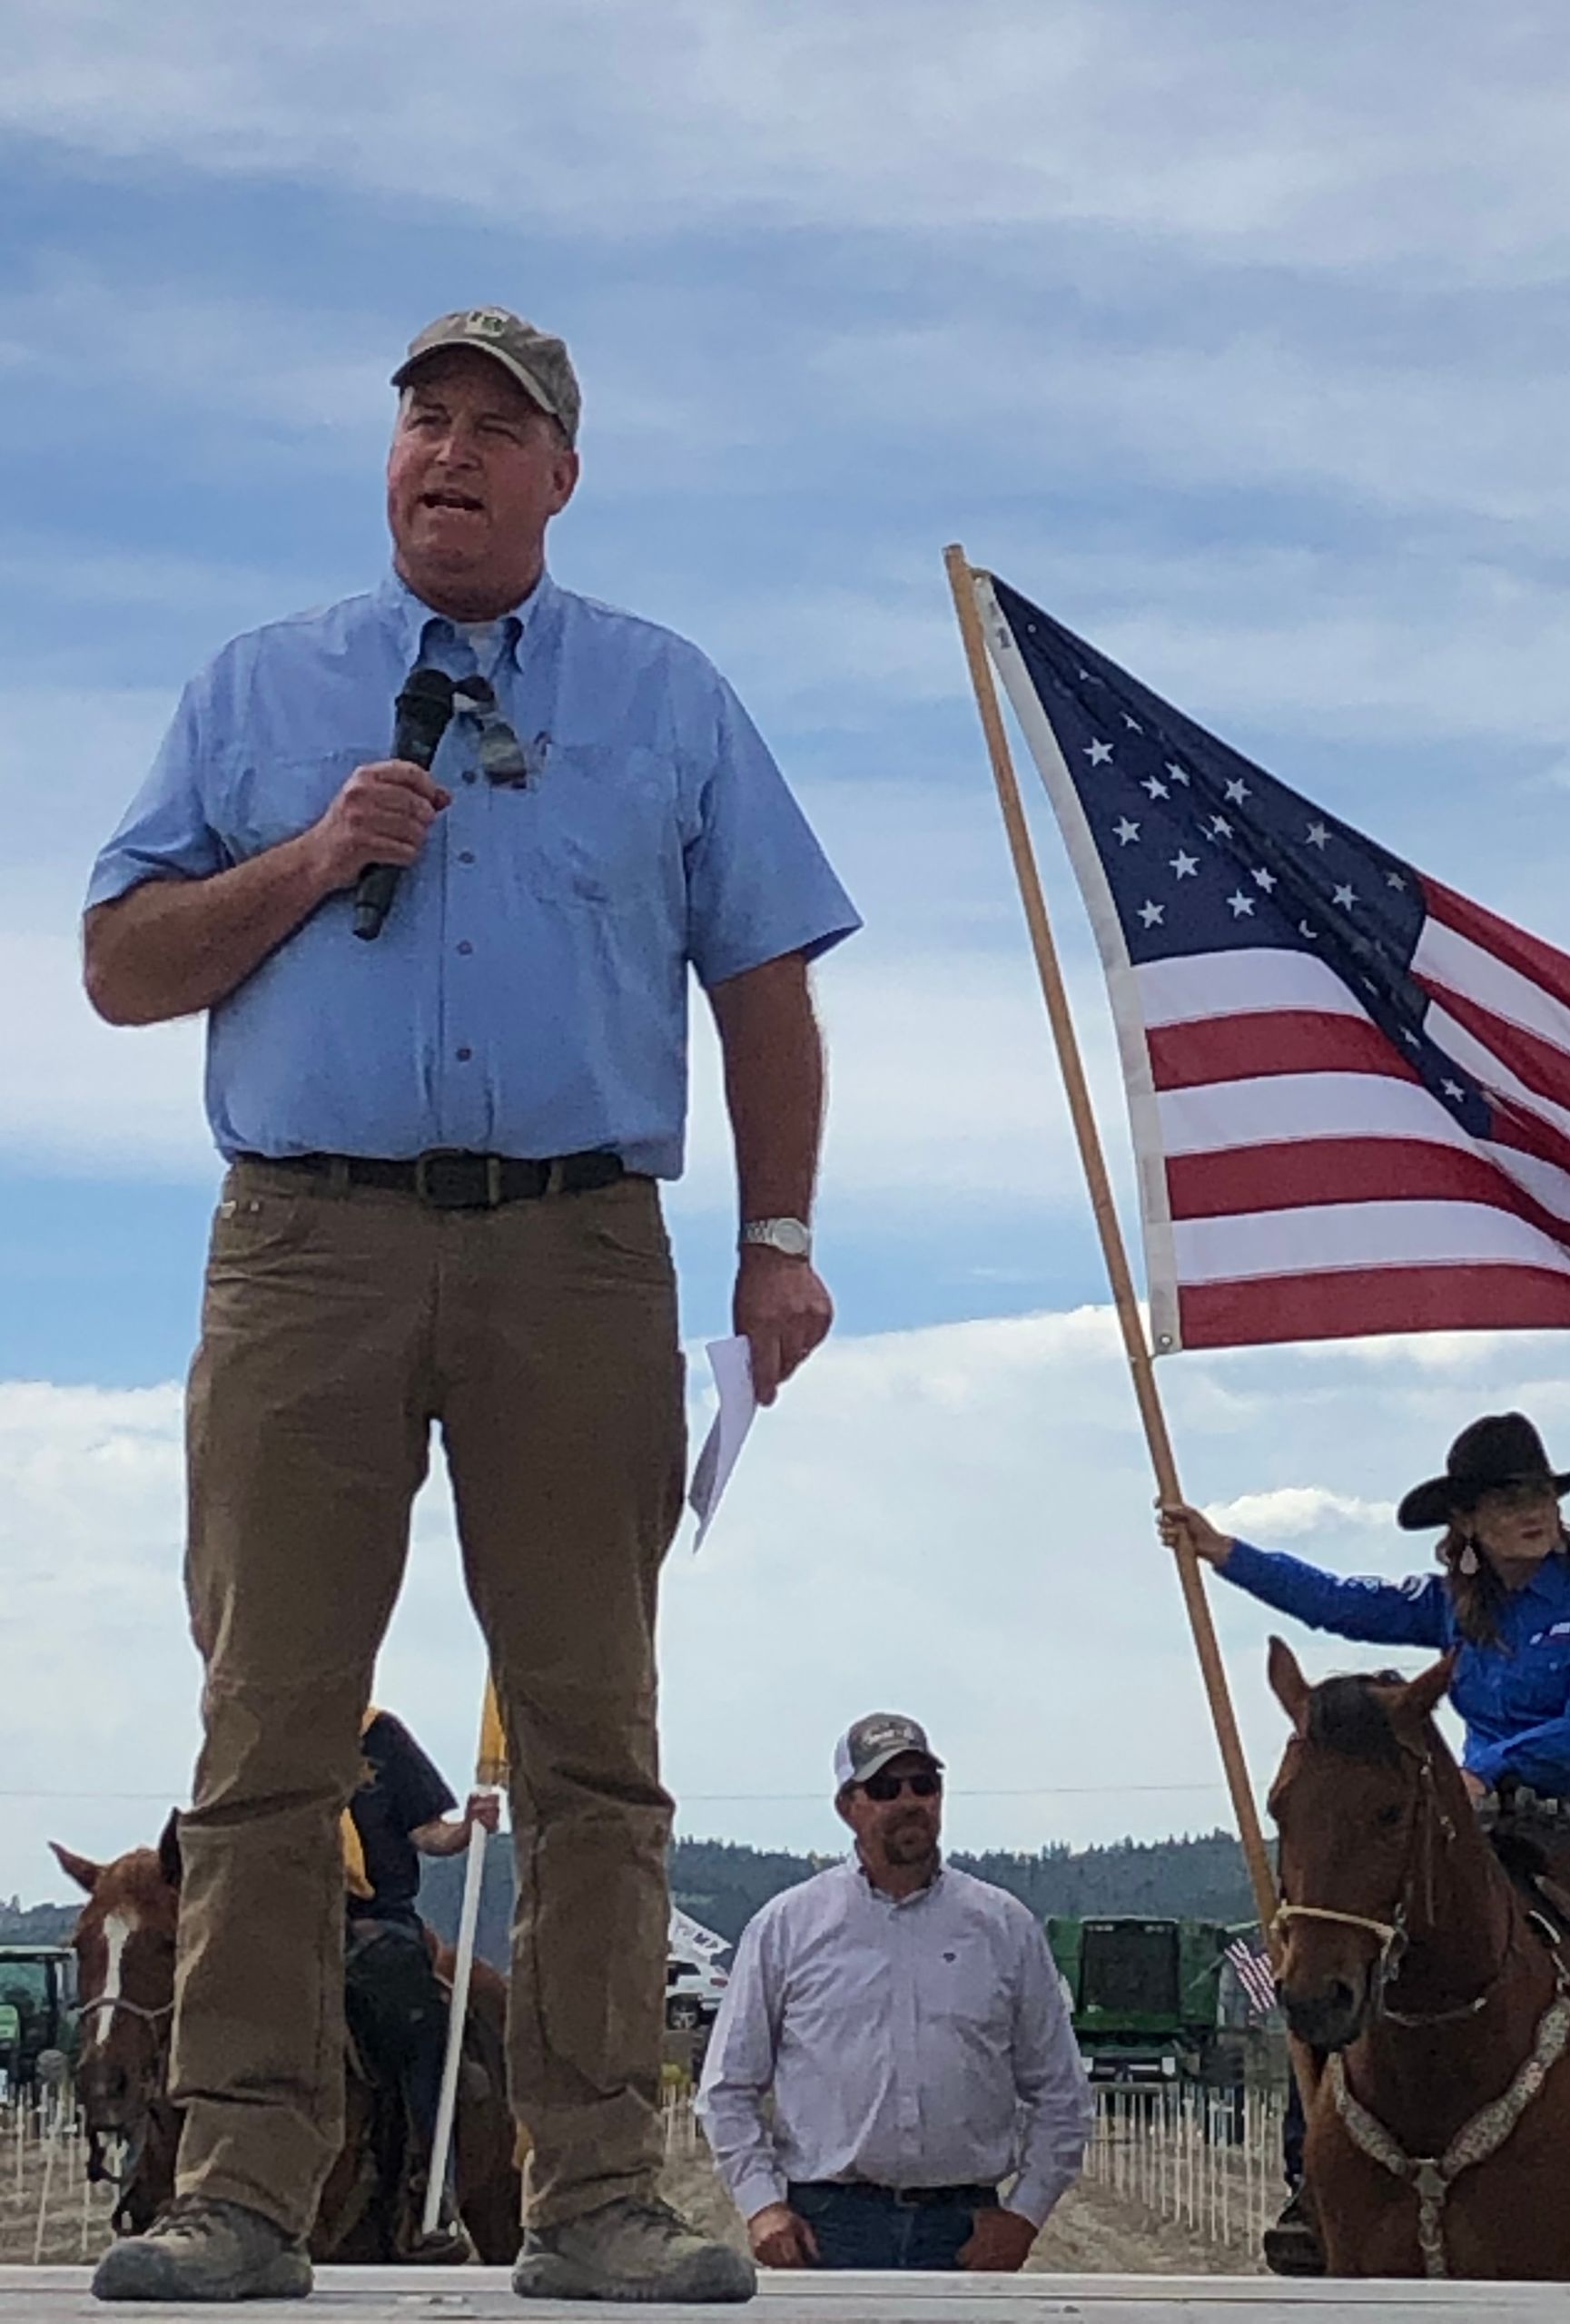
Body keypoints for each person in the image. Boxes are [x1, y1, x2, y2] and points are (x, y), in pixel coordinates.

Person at [82, 304, 859, 2305]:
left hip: (580, 1248)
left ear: (559, 476)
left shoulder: (668, 696)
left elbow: (764, 980)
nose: (451, 451)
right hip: (303, 1246)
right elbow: (119, 960)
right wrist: (312, 851)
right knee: (267, 1739)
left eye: (495, 426)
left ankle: (597, 2189)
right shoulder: (256, 688)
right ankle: (243, 2186)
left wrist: (779, 1239)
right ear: (391, 461)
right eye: (422, 418)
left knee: (594, 1741)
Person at [1160, 1410, 1570, 2286]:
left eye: (1541, 1491)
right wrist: (1225, 1551)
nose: (1531, 1510)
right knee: (1341, 1954)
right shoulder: (1451, 1607)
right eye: (1508, 1498)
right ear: (1464, 1523)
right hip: (1477, 1830)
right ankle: (1309, 2185)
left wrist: (1490, 1767)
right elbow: (1338, 1601)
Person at [696, 1713, 1092, 2271]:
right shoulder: (787, 1927)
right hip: (829, 2232)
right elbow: (726, 2088)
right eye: (885, 1788)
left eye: (924, 1785)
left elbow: (1062, 2095)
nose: (910, 1801)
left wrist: (1025, 2215)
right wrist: (762, 2206)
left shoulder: (1004, 1927)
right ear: (847, 1807)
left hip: (964, 2232)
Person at [340, 1709, 498, 2260]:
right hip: (286, 1924)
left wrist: (465, 1829)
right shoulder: (268, 1728)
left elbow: (426, 1830)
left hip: (376, 1923)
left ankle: (430, 2185)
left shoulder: (379, 1736)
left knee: (419, 2026)